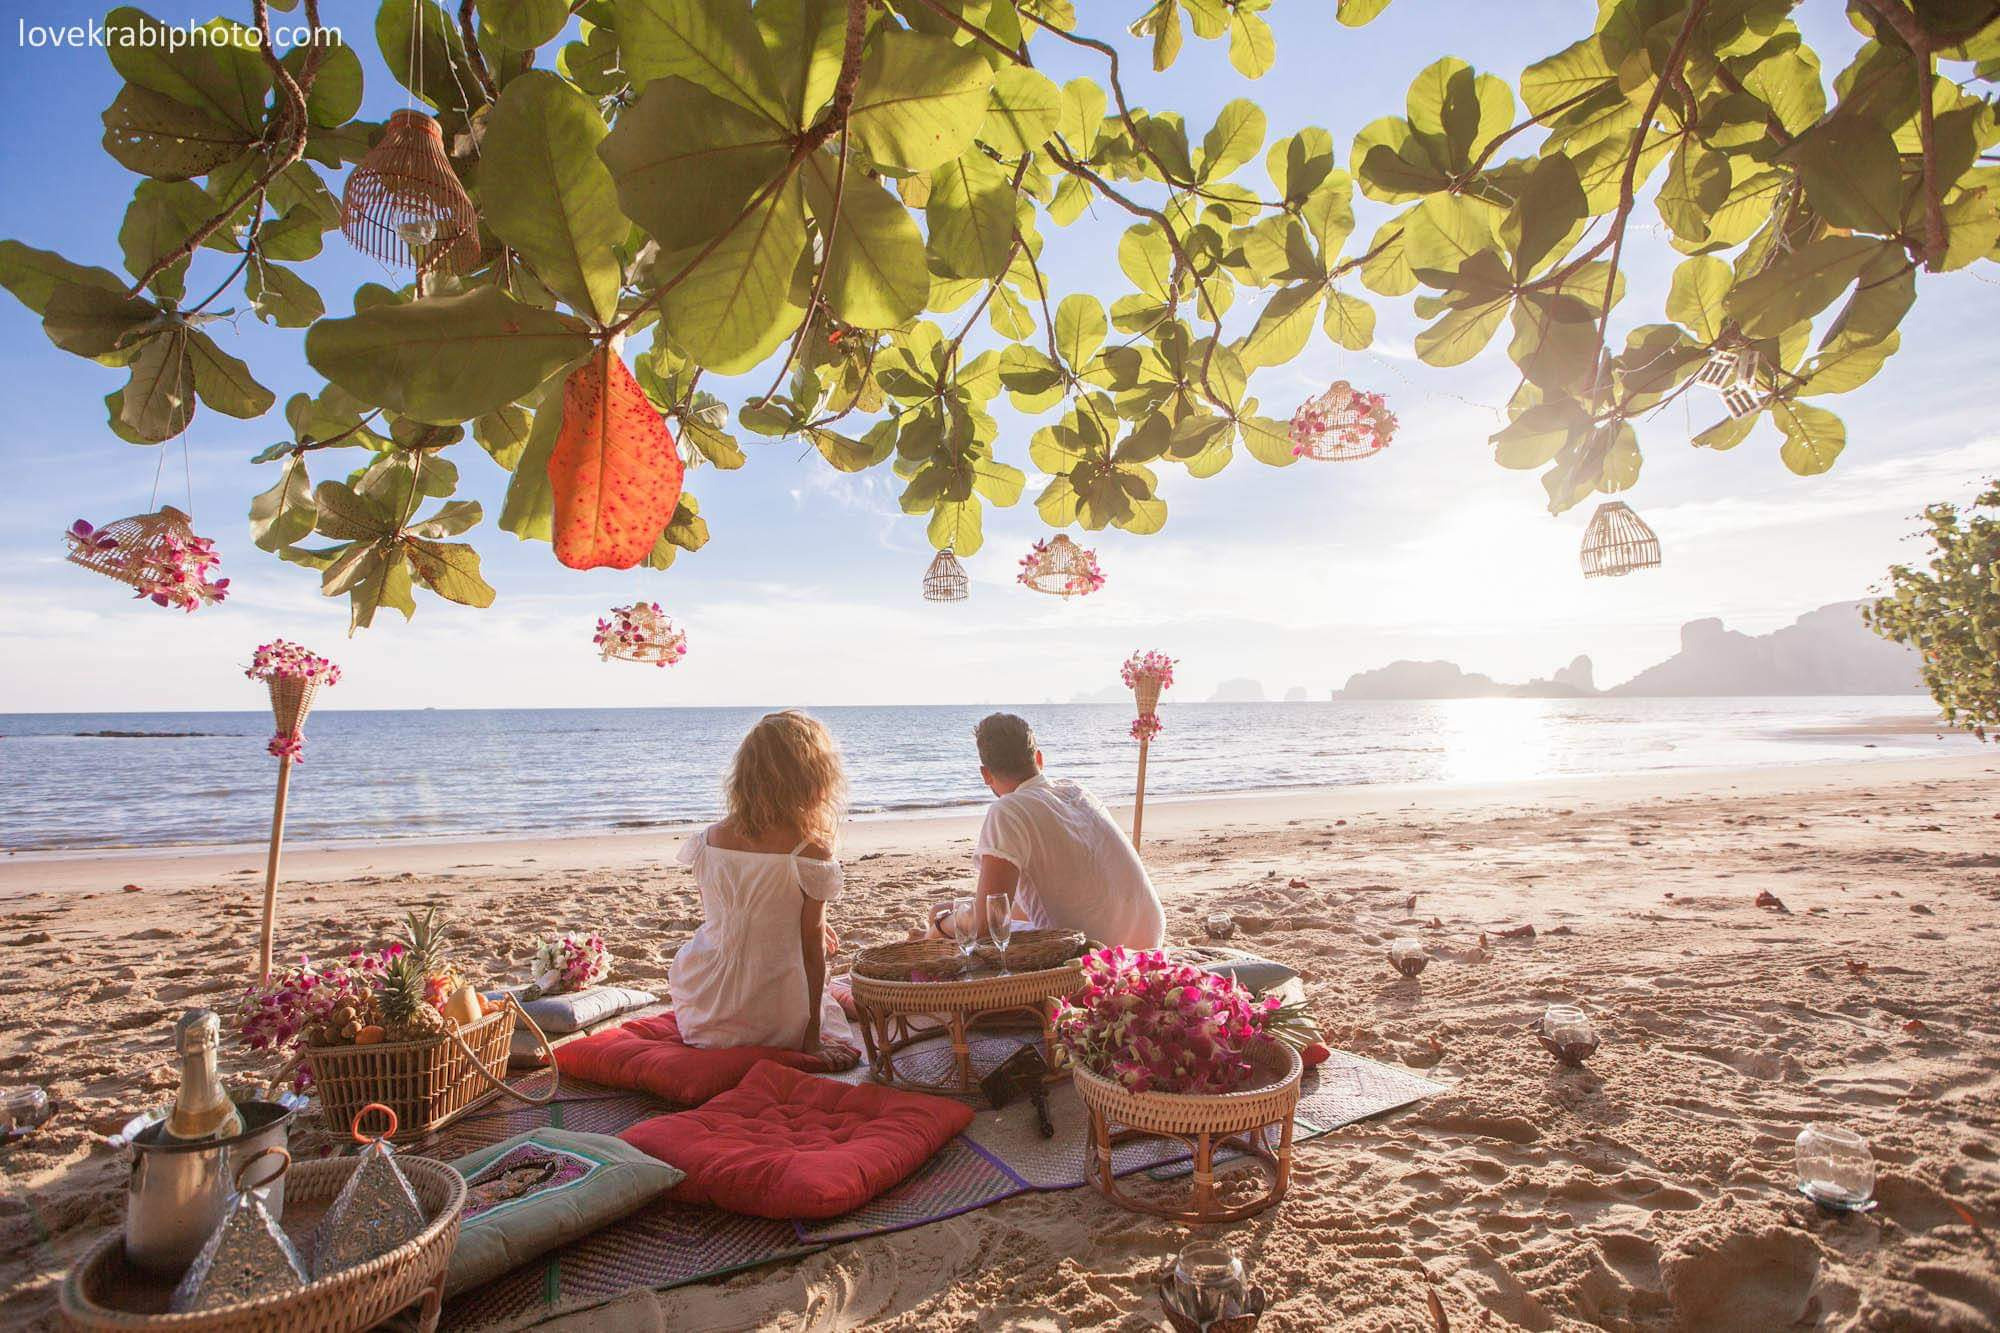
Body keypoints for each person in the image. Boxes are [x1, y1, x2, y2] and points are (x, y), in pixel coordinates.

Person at [670, 710, 858, 1069]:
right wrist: (811, 1036)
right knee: (827, 992)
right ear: (811, 776)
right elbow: (811, 951)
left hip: (703, 1009)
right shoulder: (807, 851)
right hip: (773, 1020)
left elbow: (732, 916)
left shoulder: (707, 840)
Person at [966, 712, 1165, 949]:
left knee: (946, 915)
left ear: (986, 774)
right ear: (1039, 759)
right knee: (970, 911)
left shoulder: (1008, 810)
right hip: (1148, 941)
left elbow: (987, 927)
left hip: (1090, 953)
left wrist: (940, 924)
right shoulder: (1076, 792)